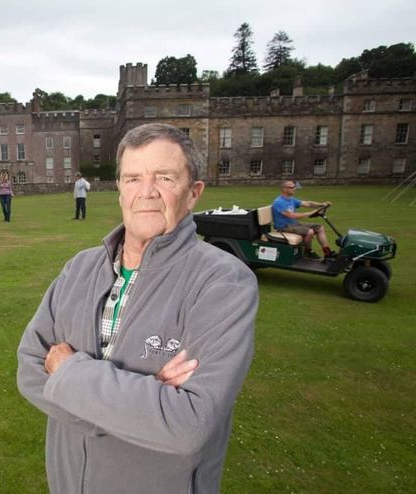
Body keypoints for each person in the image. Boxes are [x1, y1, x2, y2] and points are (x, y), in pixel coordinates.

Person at [17, 123, 258, 494]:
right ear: (119, 190)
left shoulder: (224, 283)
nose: (146, 192)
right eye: (132, 179)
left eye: (164, 177)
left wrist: (67, 376)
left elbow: (188, 424)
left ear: (193, 193)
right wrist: (142, 405)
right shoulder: (79, 268)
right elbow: (29, 368)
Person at [271, 180, 334, 259]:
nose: (294, 189)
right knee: (310, 232)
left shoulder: (291, 199)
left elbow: (307, 203)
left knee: (319, 227)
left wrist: (322, 204)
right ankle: (308, 251)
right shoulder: (278, 202)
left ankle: (327, 252)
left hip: (294, 224)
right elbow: (292, 215)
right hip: (284, 226)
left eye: (294, 187)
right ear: (284, 189)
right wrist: (310, 213)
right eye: (292, 187)